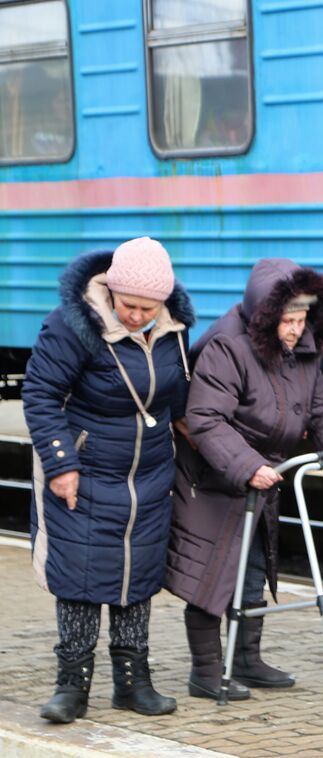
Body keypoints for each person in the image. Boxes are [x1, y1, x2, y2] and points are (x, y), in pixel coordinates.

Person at [166, 259, 323, 700]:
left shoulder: (303, 351)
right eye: (289, 320)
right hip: (218, 476)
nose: (297, 330)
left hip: (263, 475)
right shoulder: (228, 345)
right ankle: (205, 672)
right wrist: (246, 465)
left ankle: (245, 659)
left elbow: (322, 410)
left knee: (253, 568)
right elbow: (205, 418)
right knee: (211, 573)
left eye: (302, 319)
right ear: (266, 315)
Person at [24, 237, 193, 723]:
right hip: (87, 468)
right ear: (111, 291)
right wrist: (61, 465)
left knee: (137, 575)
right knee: (80, 576)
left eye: (148, 307)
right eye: (129, 305)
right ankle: (71, 688)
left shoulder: (172, 327)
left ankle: (133, 683)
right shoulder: (71, 326)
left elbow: (175, 396)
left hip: (147, 473)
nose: (138, 315)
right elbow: (39, 394)